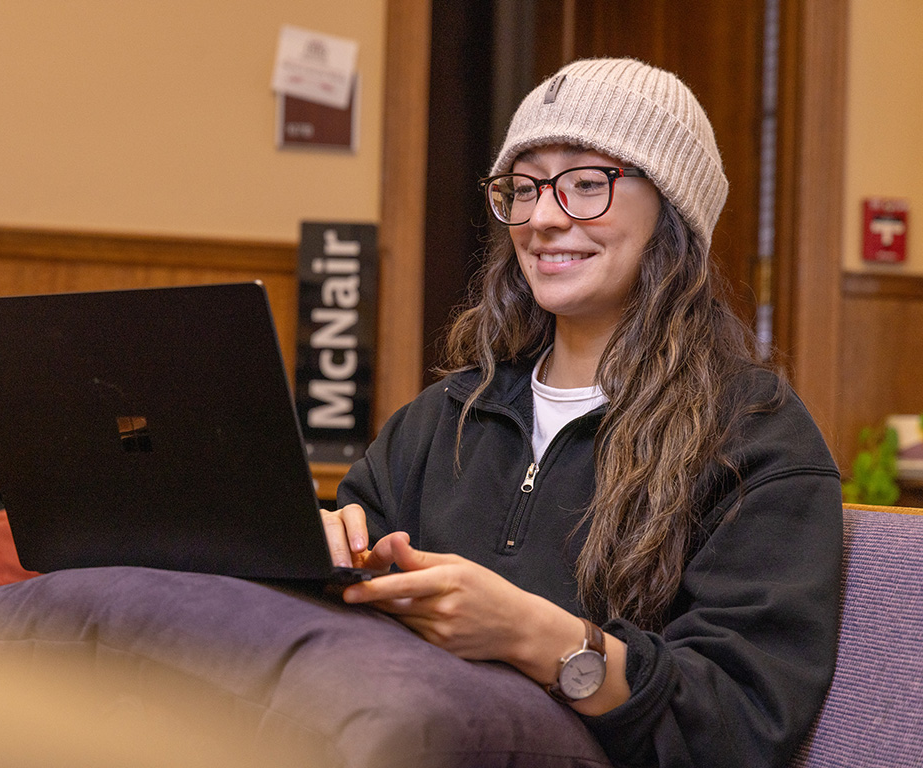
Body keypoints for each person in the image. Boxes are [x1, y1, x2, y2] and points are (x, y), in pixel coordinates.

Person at [321, 58, 842, 768]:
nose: (542, 218)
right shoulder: (442, 416)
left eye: (587, 183)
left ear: (673, 211)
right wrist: (322, 554)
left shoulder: (758, 439)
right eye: (524, 186)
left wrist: (532, 635)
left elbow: (739, 724)